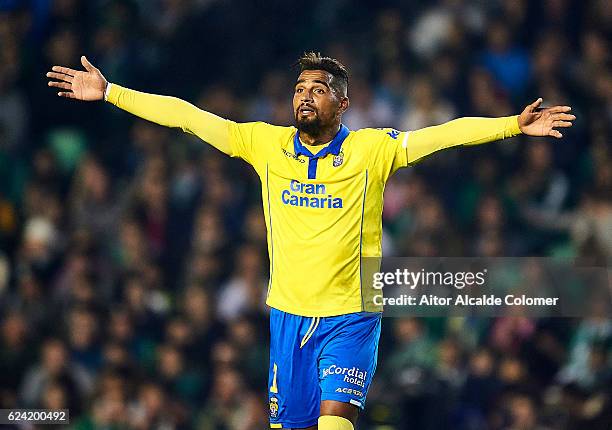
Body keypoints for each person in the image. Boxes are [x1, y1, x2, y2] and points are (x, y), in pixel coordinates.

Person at [47, 52, 575, 430]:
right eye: (300, 89)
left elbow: (443, 134)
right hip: (288, 316)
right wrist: (111, 92)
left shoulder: (372, 150)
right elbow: (188, 116)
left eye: (317, 89)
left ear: (341, 105)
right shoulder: (264, 144)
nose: (304, 96)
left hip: (351, 313)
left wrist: (511, 125)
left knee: (334, 424)